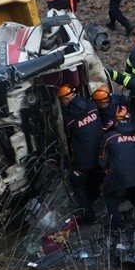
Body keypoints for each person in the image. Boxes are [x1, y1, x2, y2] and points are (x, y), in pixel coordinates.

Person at [98, 106, 135, 230]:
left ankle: (117, 226)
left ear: (115, 121)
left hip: (120, 175)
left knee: (107, 194)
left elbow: (102, 160)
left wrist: (107, 171)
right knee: (134, 191)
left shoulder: (108, 137)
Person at [58, 85, 103, 224]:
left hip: (84, 159)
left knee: (76, 181)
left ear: (65, 100)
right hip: (101, 153)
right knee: (95, 173)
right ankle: (94, 195)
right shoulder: (92, 104)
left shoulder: (67, 117)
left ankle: (89, 217)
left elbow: (65, 137)